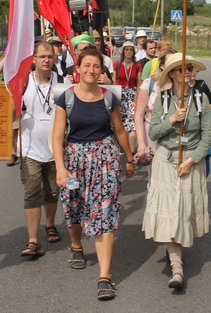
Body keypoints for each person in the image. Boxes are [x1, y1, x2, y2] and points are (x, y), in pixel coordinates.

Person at [53, 46, 136, 301]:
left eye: (96, 66)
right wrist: (60, 167)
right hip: (74, 159)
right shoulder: (65, 98)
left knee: (105, 214)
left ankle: (104, 276)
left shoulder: (110, 97)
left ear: (102, 70)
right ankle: (76, 245)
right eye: (86, 65)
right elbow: (57, 136)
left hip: (105, 161)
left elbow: (119, 130)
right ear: (77, 68)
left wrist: (130, 158)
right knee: (75, 208)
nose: (91, 70)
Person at [144, 53, 211, 289]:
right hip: (165, 159)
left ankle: (176, 254)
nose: (188, 71)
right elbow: (153, 133)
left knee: (183, 210)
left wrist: (191, 160)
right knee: (171, 212)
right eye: (182, 68)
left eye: (190, 68)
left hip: (190, 160)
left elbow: (208, 137)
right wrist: (172, 119)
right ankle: (177, 267)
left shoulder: (200, 99)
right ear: (172, 73)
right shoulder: (162, 99)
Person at [18, 41, 72, 258]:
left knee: (52, 190)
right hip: (29, 148)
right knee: (32, 193)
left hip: (55, 149)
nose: (46, 60)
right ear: (34, 59)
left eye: (50, 56)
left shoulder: (62, 82)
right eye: (42, 57)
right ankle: (33, 240)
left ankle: (50, 224)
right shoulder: (22, 83)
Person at [134, 48, 175, 172]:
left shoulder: (182, 86)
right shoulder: (149, 84)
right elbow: (138, 115)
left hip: (175, 134)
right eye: (170, 62)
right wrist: (141, 143)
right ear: (162, 65)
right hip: (153, 134)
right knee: (156, 174)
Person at [113, 41, 143, 156]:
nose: (129, 52)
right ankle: (121, 148)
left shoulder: (138, 65)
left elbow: (139, 83)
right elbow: (114, 82)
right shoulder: (117, 64)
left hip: (132, 95)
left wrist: (137, 99)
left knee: (132, 123)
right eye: (127, 49)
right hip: (120, 94)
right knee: (119, 122)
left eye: (131, 50)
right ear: (123, 51)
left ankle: (131, 152)